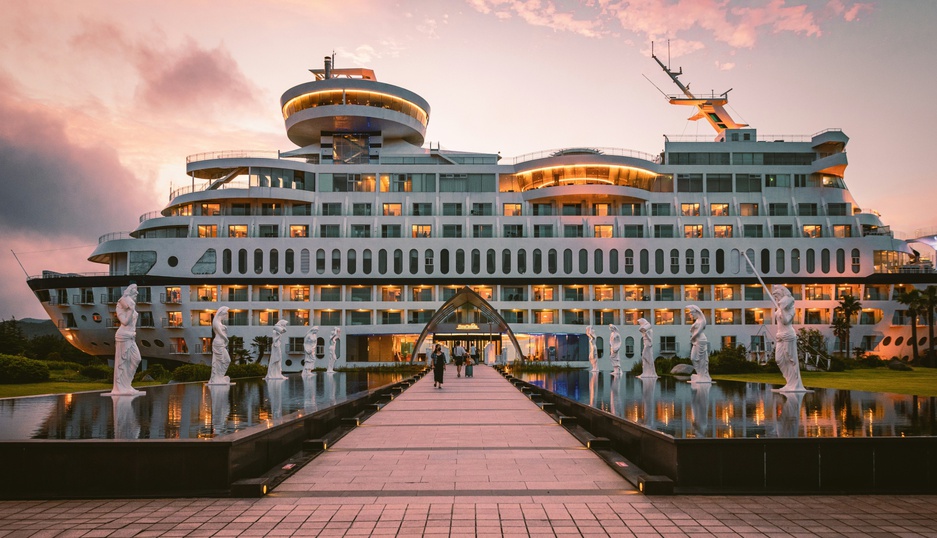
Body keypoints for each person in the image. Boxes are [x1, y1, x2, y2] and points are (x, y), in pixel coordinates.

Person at [109, 284, 143, 395]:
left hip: (131, 337)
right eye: (134, 291)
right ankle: (121, 387)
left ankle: (127, 385)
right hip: (123, 336)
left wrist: (132, 309)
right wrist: (130, 310)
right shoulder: (121, 305)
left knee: (136, 359)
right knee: (122, 362)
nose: (137, 293)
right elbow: (125, 322)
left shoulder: (130, 305)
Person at [772, 285, 807, 392]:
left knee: (790, 359)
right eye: (776, 299)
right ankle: (789, 382)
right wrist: (780, 309)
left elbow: (786, 321)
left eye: (778, 298)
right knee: (779, 359)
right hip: (780, 336)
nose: (777, 300)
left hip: (788, 335)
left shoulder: (791, 310)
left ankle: (795, 384)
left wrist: (782, 310)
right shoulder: (779, 309)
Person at [688, 305, 712, 383]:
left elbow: (698, 332)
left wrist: (692, 337)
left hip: (701, 340)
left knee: (701, 359)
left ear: (696, 312)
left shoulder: (702, 321)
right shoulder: (697, 321)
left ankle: (703, 376)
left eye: (692, 314)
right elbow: (693, 329)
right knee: (693, 358)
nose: (691, 315)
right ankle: (699, 374)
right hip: (696, 341)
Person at [209, 306, 231, 385]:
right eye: (226, 314)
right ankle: (217, 378)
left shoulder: (220, 323)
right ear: (222, 314)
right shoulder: (216, 322)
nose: (226, 316)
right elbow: (220, 333)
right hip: (218, 343)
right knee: (220, 361)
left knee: (227, 360)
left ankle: (220, 376)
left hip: (221, 344)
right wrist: (226, 339)